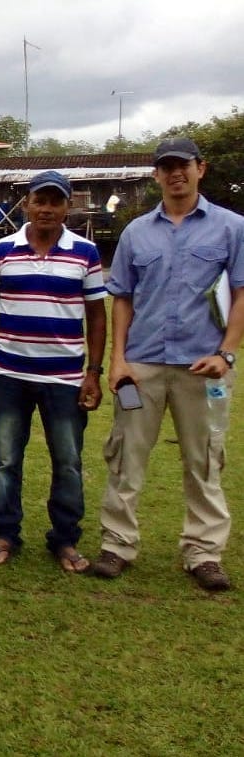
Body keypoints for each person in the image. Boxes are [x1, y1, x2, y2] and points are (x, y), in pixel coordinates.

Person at [94, 137, 244, 591]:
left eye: (183, 166)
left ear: (201, 168)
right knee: (126, 458)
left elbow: (240, 294)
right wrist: (117, 360)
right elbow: (120, 298)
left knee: (204, 461)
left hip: (204, 366)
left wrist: (226, 353)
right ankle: (117, 544)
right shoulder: (138, 232)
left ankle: (203, 552)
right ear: (156, 175)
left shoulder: (231, 227)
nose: (175, 174)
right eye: (166, 167)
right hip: (142, 364)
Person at [0, 171, 106, 572]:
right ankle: (6, 532)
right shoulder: (2, 249)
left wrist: (93, 372)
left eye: (55, 202)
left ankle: (64, 540)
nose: (46, 209)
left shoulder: (85, 252)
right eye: (39, 201)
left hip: (64, 379)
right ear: (26, 203)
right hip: (9, 374)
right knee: (6, 459)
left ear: (68, 207)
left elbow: (97, 316)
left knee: (67, 460)